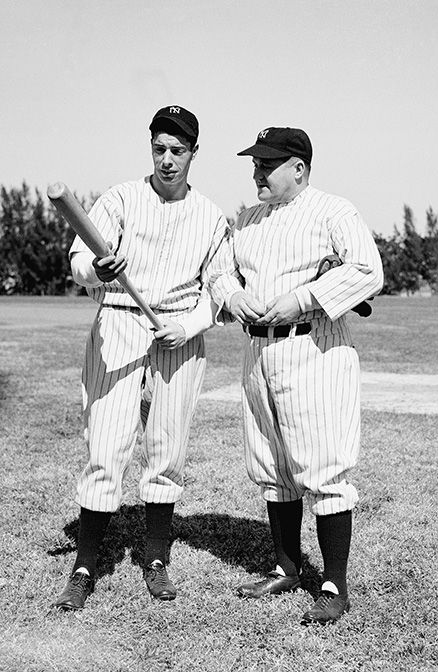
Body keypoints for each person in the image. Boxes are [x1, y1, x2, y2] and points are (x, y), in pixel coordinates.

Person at [52, 105, 227, 610]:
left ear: (194, 152)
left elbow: (217, 287)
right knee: (106, 448)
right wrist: (100, 269)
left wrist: (189, 324)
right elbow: (78, 258)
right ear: (149, 148)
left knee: (166, 450)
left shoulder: (211, 216)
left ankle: (155, 559)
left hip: (177, 329)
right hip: (121, 319)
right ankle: (84, 567)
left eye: (177, 150)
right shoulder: (122, 199)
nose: (167, 160)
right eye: (159, 149)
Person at [208, 127, 384, 625]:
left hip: (313, 347)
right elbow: (220, 271)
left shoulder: (334, 210)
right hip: (259, 349)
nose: (257, 172)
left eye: (268, 164)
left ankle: (333, 584)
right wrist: (230, 294)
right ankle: (286, 567)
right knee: (274, 466)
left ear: (299, 168)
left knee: (324, 468)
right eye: (255, 163)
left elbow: (369, 271)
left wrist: (305, 297)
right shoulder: (246, 218)